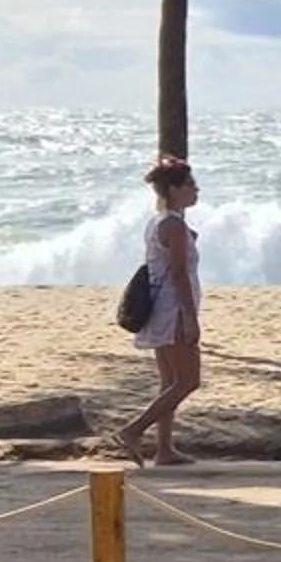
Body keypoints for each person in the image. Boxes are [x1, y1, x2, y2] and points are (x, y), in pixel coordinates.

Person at [115, 156, 203, 466]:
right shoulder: (173, 226)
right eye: (191, 184)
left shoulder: (162, 222)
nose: (197, 190)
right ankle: (133, 430)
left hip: (160, 308)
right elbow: (179, 274)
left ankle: (164, 450)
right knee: (188, 380)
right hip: (173, 310)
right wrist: (191, 319)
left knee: (169, 382)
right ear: (175, 189)